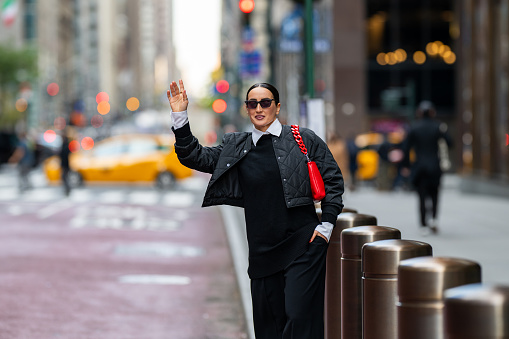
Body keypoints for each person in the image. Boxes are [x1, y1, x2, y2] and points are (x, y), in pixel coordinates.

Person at [167, 80, 344, 338]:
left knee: (299, 317)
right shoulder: (237, 146)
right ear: (247, 109)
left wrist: (326, 228)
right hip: (263, 252)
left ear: (277, 107)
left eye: (265, 102)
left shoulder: (303, 139)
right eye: (252, 103)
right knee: (268, 328)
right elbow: (194, 156)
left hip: (304, 245)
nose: (259, 108)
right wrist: (180, 115)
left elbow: (333, 181)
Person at [403, 101, 452, 235]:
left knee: (421, 196)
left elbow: (406, 148)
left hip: (419, 167)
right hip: (435, 166)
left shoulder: (414, 127)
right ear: (432, 112)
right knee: (435, 194)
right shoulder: (438, 127)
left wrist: (406, 166)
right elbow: (449, 142)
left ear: (419, 113)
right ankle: (434, 220)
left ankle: (423, 224)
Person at [59, 132, 72, 196]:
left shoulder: (66, 146)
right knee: (65, 177)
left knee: (65, 177)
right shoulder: (64, 145)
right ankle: (67, 188)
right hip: (64, 164)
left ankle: (68, 188)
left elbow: (65, 154)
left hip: (65, 164)